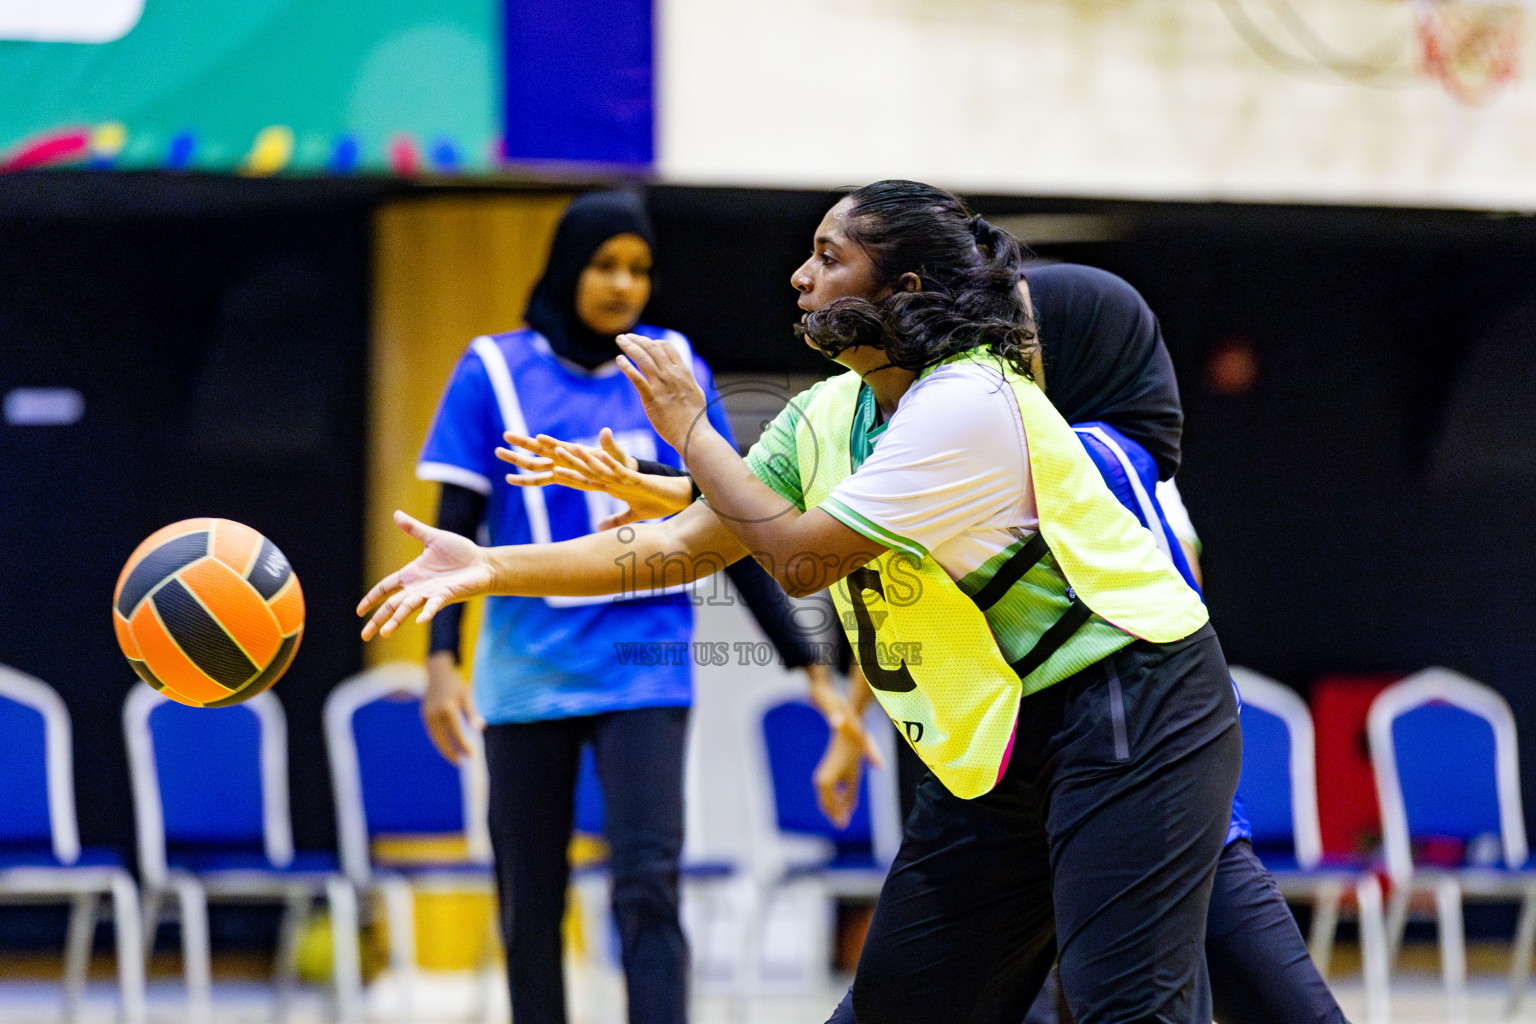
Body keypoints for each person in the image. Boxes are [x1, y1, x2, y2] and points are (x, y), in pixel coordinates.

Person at [360, 180, 1241, 1024]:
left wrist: (690, 432)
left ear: (902, 289)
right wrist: (489, 565)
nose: (800, 276)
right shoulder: (829, 411)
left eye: (828, 257)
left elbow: (798, 561)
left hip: (1134, 698)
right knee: (895, 1004)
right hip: (1014, 734)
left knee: (1123, 1004)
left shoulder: (967, 403)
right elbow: (685, 544)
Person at [510, 261, 1349, 1024]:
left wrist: (691, 479)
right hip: (1033, 765)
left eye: (1024, 332)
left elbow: (857, 528)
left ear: (1081, 349)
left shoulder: (1090, 457)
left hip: (1143, 778)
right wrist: (688, 497)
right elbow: (910, 573)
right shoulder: (986, 436)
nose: (1001, 346)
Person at [413, 189, 844, 1024]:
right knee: (530, 899)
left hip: (645, 665)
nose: (623, 285)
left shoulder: (670, 365)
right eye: (605, 265)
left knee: (649, 884)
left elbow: (729, 520)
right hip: (526, 671)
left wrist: (807, 667)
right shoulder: (491, 370)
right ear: (568, 267)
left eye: (640, 269)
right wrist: (438, 661)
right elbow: (453, 533)